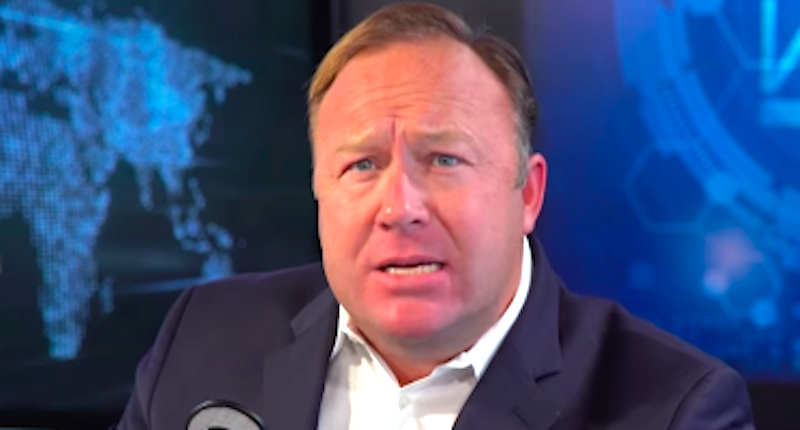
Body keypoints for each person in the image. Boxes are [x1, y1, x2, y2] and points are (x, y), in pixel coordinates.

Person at [115, 3, 754, 429]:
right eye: (361, 165)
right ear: (318, 190)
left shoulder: (675, 408)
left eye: (444, 160)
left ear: (527, 194)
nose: (399, 209)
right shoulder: (205, 337)